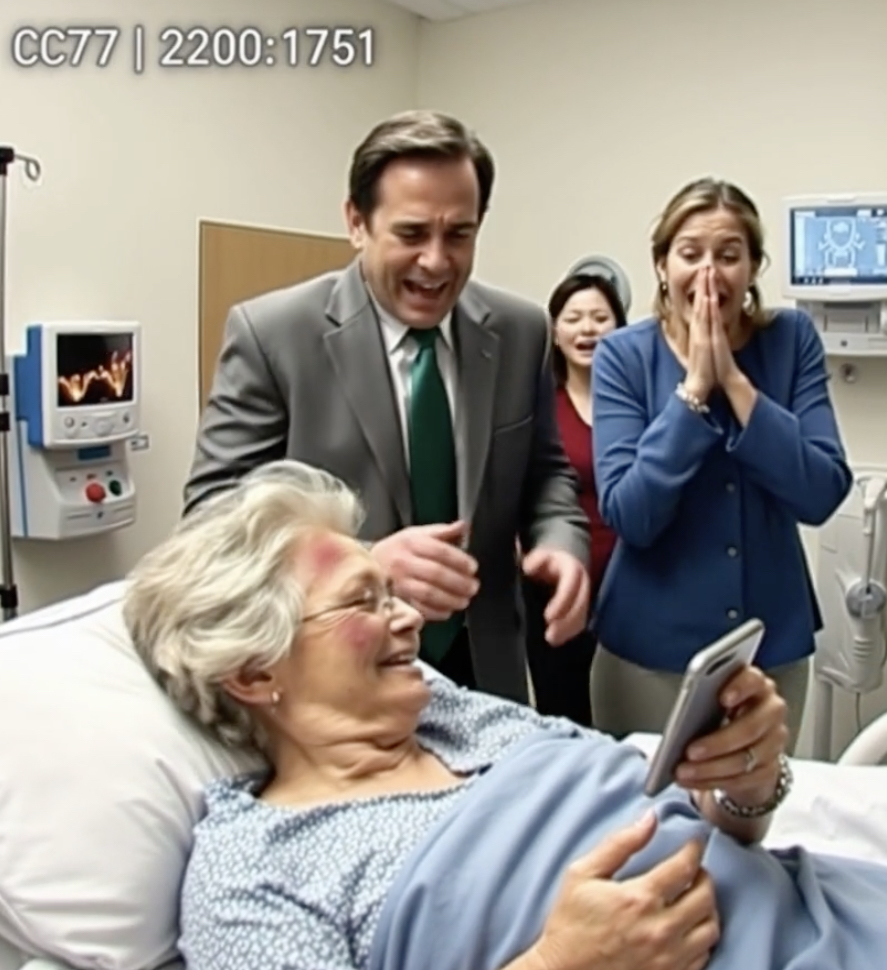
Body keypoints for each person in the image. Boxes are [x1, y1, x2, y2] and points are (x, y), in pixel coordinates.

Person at [123, 461, 887, 970]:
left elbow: (685, 826)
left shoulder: (461, 717)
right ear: (254, 672)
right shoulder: (258, 868)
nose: (409, 618)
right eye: (364, 602)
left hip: (845, 921)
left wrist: (742, 784)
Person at [182, 109, 590, 702]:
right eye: (411, 234)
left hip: (486, 671)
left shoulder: (521, 330)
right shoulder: (273, 336)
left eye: (459, 235)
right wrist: (364, 563)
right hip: (334, 670)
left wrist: (561, 541)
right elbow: (209, 521)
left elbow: (545, 473)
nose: (436, 261)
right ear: (357, 222)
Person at [590, 177, 853, 744]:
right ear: (662, 266)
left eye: (729, 255)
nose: (709, 273)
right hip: (647, 654)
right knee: (648, 800)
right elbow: (631, 515)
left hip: (771, 649)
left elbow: (822, 492)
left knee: (760, 797)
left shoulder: (791, 340)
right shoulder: (622, 356)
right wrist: (693, 392)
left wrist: (733, 382)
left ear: (753, 267)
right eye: (690, 254)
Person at [524, 273, 626, 726]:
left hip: (633, 585)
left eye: (600, 318)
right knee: (566, 716)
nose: (587, 329)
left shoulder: (636, 404)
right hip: (560, 587)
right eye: (574, 318)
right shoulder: (539, 405)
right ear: (554, 331)